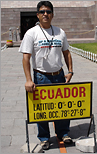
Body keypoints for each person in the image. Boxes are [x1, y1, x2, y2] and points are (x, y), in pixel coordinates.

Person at [19, 1, 74, 150]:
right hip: (41, 76)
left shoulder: (60, 32)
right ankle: (44, 138)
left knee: (62, 107)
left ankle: (64, 133)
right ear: (37, 14)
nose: (45, 14)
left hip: (59, 75)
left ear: (52, 15)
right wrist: (28, 80)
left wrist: (70, 71)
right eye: (42, 11)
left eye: (48, 12)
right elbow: (26, 58)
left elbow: (67, 53)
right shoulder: (31, 33)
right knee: (42, 109)